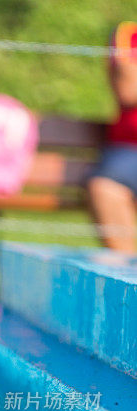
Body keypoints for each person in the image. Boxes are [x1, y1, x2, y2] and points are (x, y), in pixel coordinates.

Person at [87, 21, 137, 254]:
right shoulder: (129, 33)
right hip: (129, 151)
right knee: (105, 189)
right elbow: (129, 89)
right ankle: (128, 278)